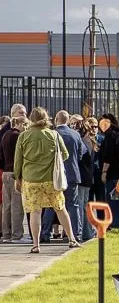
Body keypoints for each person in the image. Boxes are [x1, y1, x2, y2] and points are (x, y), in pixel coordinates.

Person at [13, 107, 80, 253]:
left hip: (30, 179)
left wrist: (17, 178)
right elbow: (65, 154)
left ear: (31, 119)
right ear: (46, 118)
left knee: (35, 212)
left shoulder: (24, 136)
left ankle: (36, 244)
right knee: (60, 208)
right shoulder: (54, 135)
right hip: (51, 179)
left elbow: (17, 161)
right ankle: (71, 239)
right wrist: (53, 161)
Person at [41, 111, 87, 243]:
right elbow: (80, 154)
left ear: (56, 120)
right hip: (72, 173)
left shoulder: (52, 134)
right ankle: (74, 234)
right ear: (67, 120)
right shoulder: (75, 134)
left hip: (54, 174)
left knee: (51, 205)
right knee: (73, 205)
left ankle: (45, 233)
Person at [98, 113, 119, 228]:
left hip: (112, 172)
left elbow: (108, 156)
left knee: (111, 198)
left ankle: (114, 222)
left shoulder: (110, 136)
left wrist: (104, 172)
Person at [0, 115, 27, 242]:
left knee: (7, 206)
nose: (26, 128)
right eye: (25, 125)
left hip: (5, 172)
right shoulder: (18, 136)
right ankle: (17, 235)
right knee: (17, 206)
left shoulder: (5, 135)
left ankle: (6, 234)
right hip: (15, 173)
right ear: (20, 124)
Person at [77, 117, 99, 241]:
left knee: (81, 205)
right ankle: (87, 231)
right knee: (84, 205)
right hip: (87, 178)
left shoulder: (84, 141)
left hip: (82, 177)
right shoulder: (91, 141)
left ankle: (83, 231)